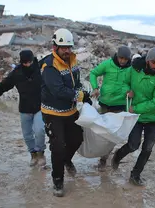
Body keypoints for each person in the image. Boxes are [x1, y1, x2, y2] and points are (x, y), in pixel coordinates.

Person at [40, 28, 91, 197]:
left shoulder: (73, 61)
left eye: (69, 47)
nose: (67, 50)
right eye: (64, 48)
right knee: (58, 146)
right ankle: (58, 181)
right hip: (52, 113)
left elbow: (76, 83)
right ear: (55, 47)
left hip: (70, 111)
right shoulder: (49, 65)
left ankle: (66, 160)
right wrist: (80, 95)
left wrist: (85, 95)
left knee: (77, 138)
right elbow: (59, 91)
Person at [111, 47, 155, 186]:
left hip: (152, 118)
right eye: (153, 62)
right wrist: (127, 91)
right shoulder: (134, 70)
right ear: (148, 61)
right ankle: (118, 156)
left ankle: (135, 174)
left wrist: (135, 108)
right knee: (133, 145)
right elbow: (124, 82)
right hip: (136, 117)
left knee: (148, 148)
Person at [0, 50, 46, 168]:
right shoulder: (17, 73)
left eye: (29, 62)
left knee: (40, 131)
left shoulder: (40, 68)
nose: (28, 65)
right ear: (21, 62)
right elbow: (3, 86)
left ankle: (40, 153)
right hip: (24, 108)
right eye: (25, 63)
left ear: (32, 60)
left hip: (39, 107)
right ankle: (33, 155)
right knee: (27, 135)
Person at [90, 45, 132, 172]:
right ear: (117, 56)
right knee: (101, 132)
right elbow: (93, 73)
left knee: (112, 134)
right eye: (121, 58)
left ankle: (104, 159)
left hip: (119, 106)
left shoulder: (131, 70)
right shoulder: (107, 64)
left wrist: (131, 92)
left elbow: (134, 84)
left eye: (125, 59)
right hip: (104, 104)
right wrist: (95, 87)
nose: (123, 61)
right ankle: (98, 152)